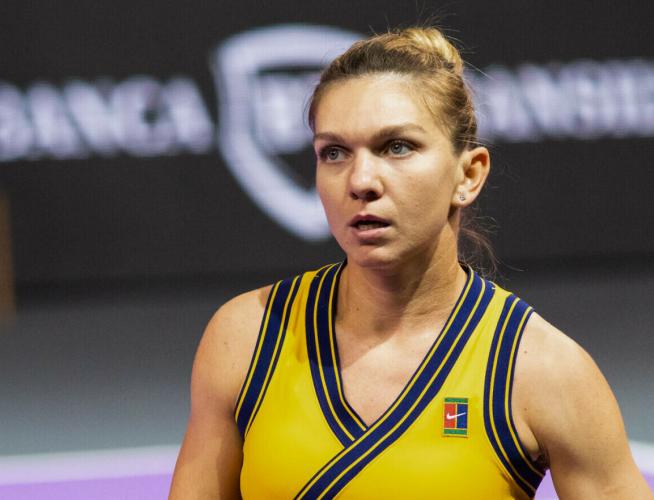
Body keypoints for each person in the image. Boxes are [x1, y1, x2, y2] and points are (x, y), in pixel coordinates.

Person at [170, 27, 652, 499]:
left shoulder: (541, 370)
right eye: (334, 152)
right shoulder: (247, 338)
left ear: (469, 174)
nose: (361, 181)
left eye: (397, 147)